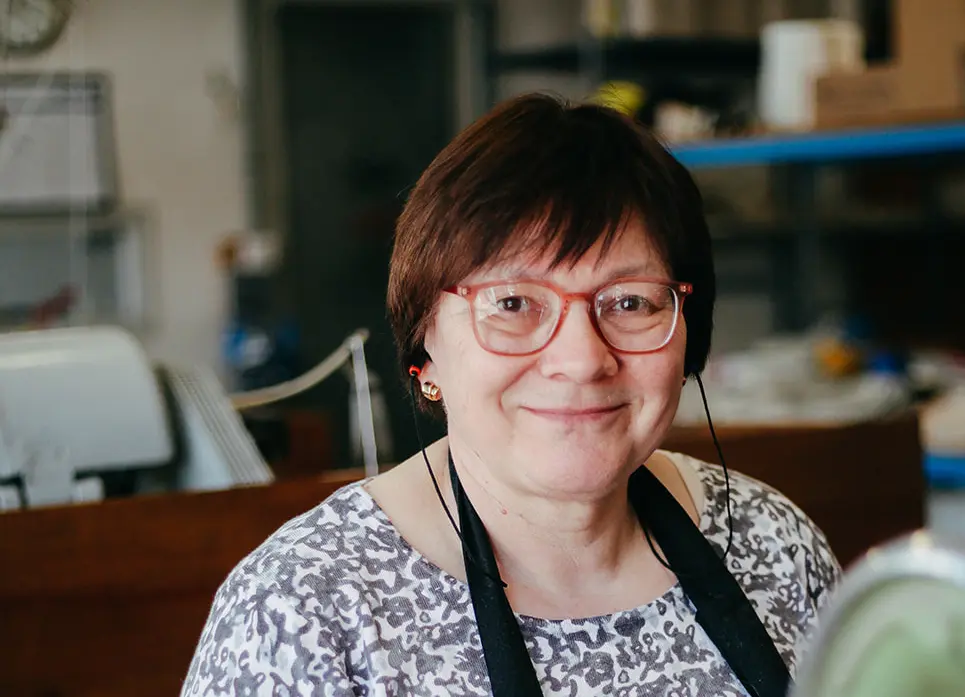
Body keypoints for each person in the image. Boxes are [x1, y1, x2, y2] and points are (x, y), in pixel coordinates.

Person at [182, 93, 841, 697]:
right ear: (424, 346)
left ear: (687, 339)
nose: (582, 358)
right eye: (514, 302)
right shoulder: (305, 611)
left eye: (631, 301)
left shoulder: (773, 544)